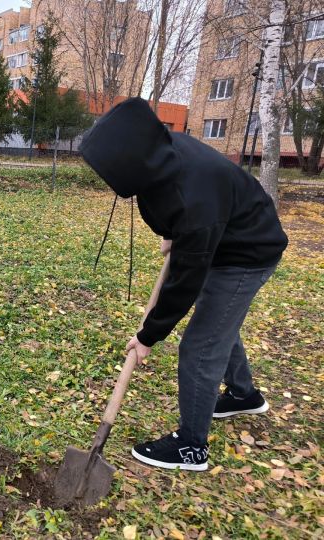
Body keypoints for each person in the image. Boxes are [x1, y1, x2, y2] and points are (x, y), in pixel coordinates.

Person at [80, 97, 288, 471]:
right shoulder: (162, 155)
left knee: (202, 344)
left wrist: (148, 336)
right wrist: (179, 233)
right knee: (220, 323)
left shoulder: (194, 198)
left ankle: (192, 446)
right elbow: (187, 214)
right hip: (223, 235)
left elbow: (184, 283)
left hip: (247, 253)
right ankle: (244, 395)